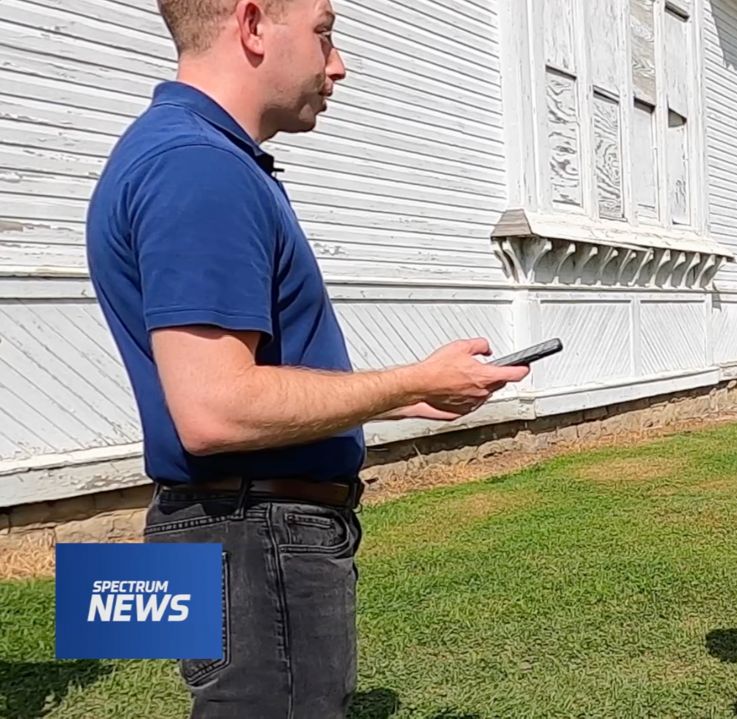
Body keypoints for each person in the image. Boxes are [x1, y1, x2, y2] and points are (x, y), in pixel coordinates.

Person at [84, 1, 529, 716]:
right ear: (254, 24)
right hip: (256, 539)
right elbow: (212, 410)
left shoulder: (179, 152)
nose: (339, 63)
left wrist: (396, 396)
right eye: (324, 32)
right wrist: (412, 378)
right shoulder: (199, 169)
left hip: (216, 523)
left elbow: (224, 390)